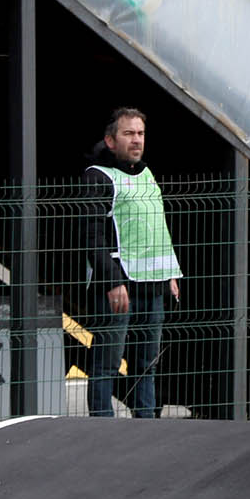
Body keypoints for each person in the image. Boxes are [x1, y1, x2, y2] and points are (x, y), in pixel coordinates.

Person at [81, 107, 182, 418]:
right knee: (106, 364)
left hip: (154, 286)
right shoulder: (98, 176)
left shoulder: (148, 173)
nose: (136, 140)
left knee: (147, 365)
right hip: (119, 287)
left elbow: (156, 227)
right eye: (129, 134)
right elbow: (91, 236)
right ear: (111, 141)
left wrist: (170, 275)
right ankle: (103, 431)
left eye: (140, 133)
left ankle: (146, 431)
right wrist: (112, 281)